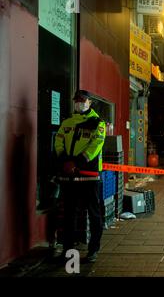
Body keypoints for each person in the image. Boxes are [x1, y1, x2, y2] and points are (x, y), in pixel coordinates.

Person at [54, 90, 106, 263]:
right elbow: (59, 141)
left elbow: (96, 145)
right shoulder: (67, 122)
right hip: (69, 177)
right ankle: (68, 251)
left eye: (83, 100)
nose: (79, 103)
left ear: (89, 103)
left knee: (94, 214)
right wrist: (64, 160)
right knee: (69, 215)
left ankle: (93, 250)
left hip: (90, 177)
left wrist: (76, 162)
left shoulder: (98, 123)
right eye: (76, 100)